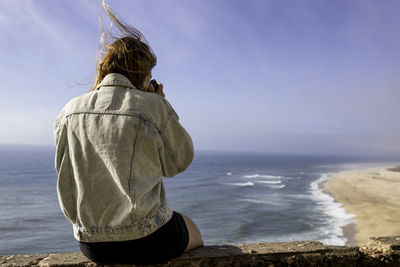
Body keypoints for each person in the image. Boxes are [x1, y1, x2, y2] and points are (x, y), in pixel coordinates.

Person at [53, 5, 203, 265]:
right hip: (147, 238)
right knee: (193, 230)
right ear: (143, 74)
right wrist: (163, 106)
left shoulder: (69, 111)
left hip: (90, 244)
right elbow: (179, 161)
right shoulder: (151, 105)